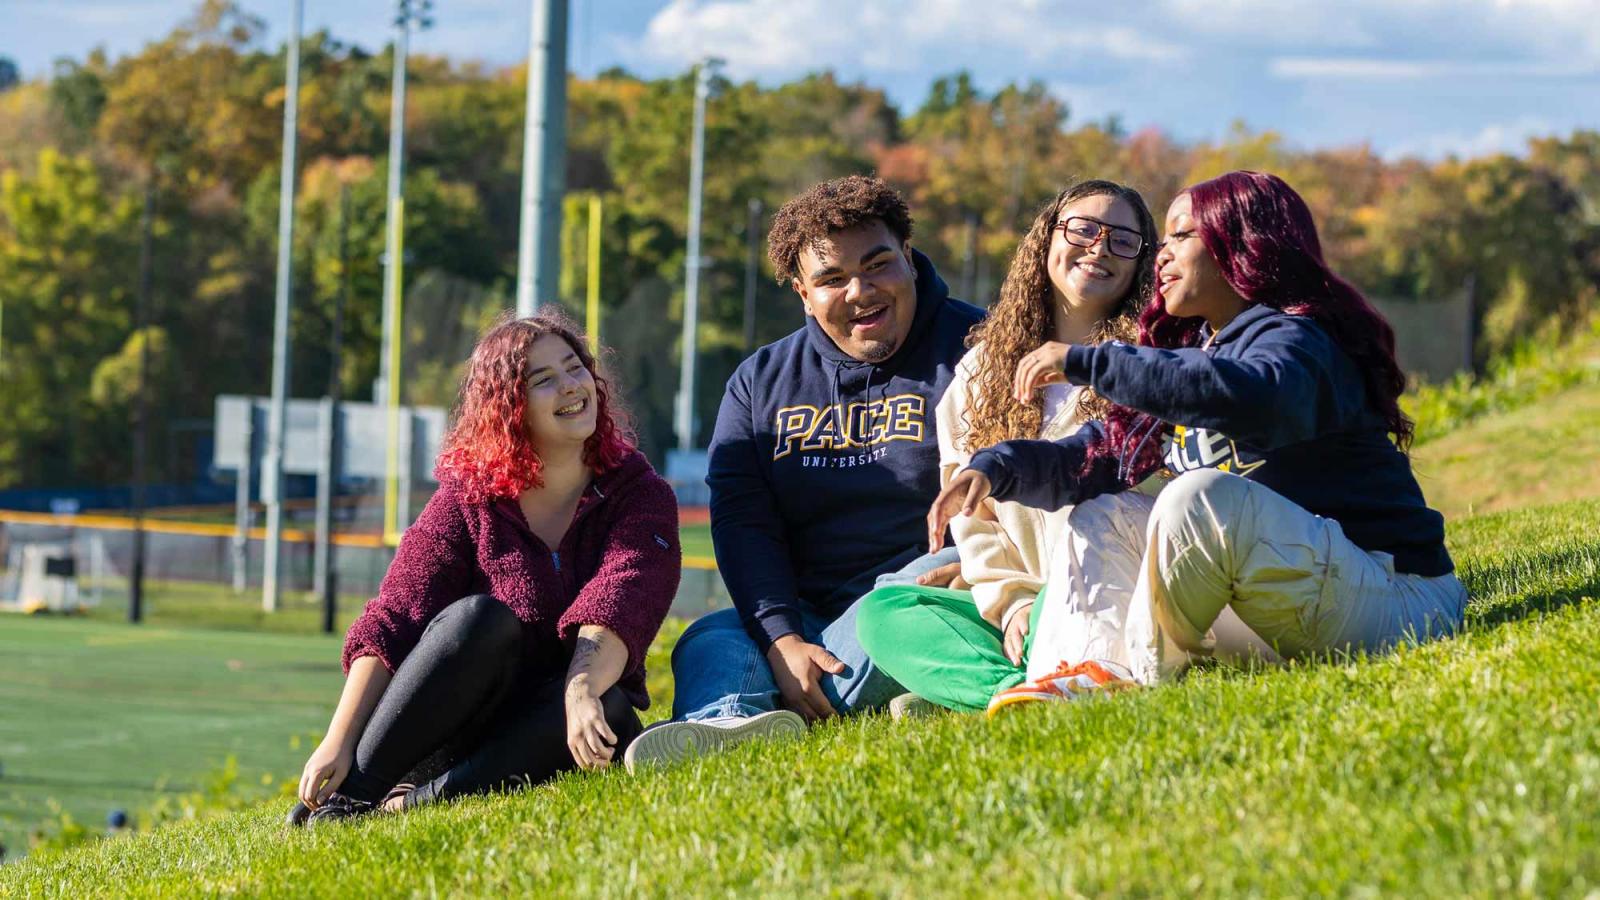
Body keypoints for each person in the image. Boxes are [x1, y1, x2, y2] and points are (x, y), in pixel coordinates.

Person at [930, 170, 1466, 710]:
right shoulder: (1201, 349)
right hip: (1288, 600)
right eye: (1163, 239)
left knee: (1197, 497)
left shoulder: (1300, 338)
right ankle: (1066, 686)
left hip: (1394, 598)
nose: (1161, 254)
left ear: (1243, 242)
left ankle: (1135, 680)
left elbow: (1253, 398)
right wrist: (995, 468)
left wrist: (1086, 363)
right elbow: (1095, 456)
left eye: (1183, 235)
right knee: (1104, 511)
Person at [623, 175, 984, 770]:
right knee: (711, 637)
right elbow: (744, 526)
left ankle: (869, 688)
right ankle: (732, 727)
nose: (860, 291)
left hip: (922, 595)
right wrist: (783, 639)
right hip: (811, 613)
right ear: (803, 292)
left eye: (878, 265)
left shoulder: (979, 346)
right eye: (832, 279)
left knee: (901, 606)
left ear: (911, 259)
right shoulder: (759, 382)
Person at [289, 310, 680, 824]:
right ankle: (352, 798)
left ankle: (407, 807)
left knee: (610, 710)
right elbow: (394, 618)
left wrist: (580, 687)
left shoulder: (641, 494)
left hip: (558, 719)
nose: (571, 386)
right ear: (509, 407)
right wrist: (337, 743)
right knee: (478, 619)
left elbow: (622, 596)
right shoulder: (468, 498)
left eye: (575, 367)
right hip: (459, 726)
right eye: (543, 380)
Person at [858, 180, 1164, 712]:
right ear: (1047, 239)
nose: (1098, 249)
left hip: (1113, 588)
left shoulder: (1152, 363)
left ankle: (1010, 686)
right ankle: (1010, 691)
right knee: (886, 612)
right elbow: (974, 522)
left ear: (1142, 261)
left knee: (1061, 602)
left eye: (1122, 240)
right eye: (1084, 230)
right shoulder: (980, 372)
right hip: (1026, 597)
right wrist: (1011, 600)